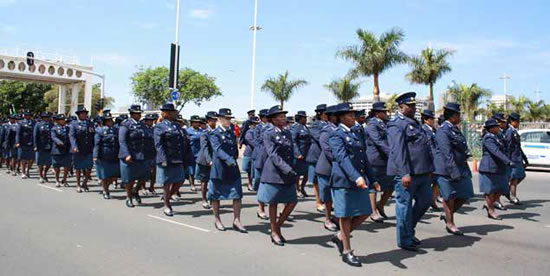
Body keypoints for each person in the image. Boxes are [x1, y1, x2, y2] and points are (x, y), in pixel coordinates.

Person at [329, 103, 376, 267]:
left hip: (359, 179)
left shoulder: (355, 132)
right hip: (343, 180)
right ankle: (347, 251)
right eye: (350, 115)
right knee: (346, 215)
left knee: (365, 212)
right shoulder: (336, 135)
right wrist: (356, 177)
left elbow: (364, 157)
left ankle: (340, 236)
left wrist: (373, 178)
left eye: (353, 114)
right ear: (341, 117)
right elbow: (342, 159)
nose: (353, 117)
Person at [387, 92, 434, 252]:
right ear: (401, 107)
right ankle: (405, 240)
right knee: (404, 207)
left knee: (426, 201)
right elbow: (398, 151)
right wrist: (404, 173)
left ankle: (409, 229)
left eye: (414, 105)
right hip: (407, 173)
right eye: (410, 105)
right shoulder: (396, 124)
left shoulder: (413, 122)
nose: (414, 108)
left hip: (421, 172)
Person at [257, 105, 298, 246]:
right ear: (273, 120)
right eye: (280, 117)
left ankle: (277, 225)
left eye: (284, 116)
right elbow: (273, 155)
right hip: (274, 172)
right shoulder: (268, 133)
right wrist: (287, 169)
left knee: (292, 201)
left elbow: (291, 152)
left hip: (287, 172)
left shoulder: (287, 133)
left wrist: (292, 168)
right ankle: (274, 231)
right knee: (273, 202)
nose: (283, 118)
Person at [433, 103, 474, 235]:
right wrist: (453, 172)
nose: (460, 117)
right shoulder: (443, 131)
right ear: (452, 117)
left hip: (460, 167)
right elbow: (447, 154)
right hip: (447, 170)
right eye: (458, 114)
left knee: (466, 194)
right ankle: (450, 223)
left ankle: (447, 216)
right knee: (449, 197)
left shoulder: (454, 129)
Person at [207, 108, 247, 233]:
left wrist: (234, 158)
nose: (228, 121)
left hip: (232, 168)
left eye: (230, 118)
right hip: (220, 169)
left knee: (237, 194)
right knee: (216, 196)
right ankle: (217, 219)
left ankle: (236, 220)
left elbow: (234, 148)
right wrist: (229, 160)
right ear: (219, 119)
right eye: (226, 118)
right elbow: (217, 149)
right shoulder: (215, 133)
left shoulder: (230, 132)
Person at [154, 103, 189, 216]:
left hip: (177, 158)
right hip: (167, 158)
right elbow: (158, 144)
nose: (175, 114)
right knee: (167, 183)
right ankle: (166, 205)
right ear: (167, 114)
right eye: (174, 112)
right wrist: (163, 158)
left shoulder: (177, 126)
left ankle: (166, 198)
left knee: (180, 179)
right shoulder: (160, 126)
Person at [479, 119, 515, 220]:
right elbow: (496, 152)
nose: (498, 127)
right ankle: (491, 210)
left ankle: (489, 204)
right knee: (490, 191)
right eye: (496, 126)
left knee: (503, 188)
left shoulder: (497, 137)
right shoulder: (488, 138)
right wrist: (508, 161)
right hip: (489, 168)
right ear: (491, 129)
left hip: (498, 168)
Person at [365, 102, 393, 222]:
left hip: (385, 160)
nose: (386, 114)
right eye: (384, 112)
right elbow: (378, 141)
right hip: (375, 159)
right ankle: (373, 211)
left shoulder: (385, 124)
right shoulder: (372, 125)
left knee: (390, 185)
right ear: (377, 113)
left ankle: (380, 205)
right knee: (373, 186)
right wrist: (391, 152)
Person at [119, 105, 150, 208]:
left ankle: (135, 191)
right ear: (131, 114)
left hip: (142, 154)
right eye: (136, 113)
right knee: (130, 178)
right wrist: (126, 154)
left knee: (144, 176)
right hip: (130, 154)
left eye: (139, 113)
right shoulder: (125, 124)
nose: (139, 115)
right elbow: (122, 141)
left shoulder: (142, 124)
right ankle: (129, 197)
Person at [315, 105, 339, 232]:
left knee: (339, 195)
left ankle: (337, 217)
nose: (337, 117)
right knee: (328, 197)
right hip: (327, 168)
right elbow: (327, 150)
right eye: (335, 115)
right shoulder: (326, 130)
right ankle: (328, 219)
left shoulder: (342, 129)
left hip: (339, 168)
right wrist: (342, 161)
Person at [93, 111, 120, 199]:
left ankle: (107, 185)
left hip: (115, 155)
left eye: (111, 120)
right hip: (104, 155)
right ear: (104, 121)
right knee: (105, 175)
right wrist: (95, 156)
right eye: (108, 120)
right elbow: (97, 144)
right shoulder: (100, 130)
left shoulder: (116, 129)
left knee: (114, 175)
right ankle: (105, 190)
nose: (110, 121)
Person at [307, 104, 329, 212]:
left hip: (326, 156)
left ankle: (327, 201)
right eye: (325, 113)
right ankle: (318, 202)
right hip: (316, 155)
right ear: (320, 114)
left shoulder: (330, 124)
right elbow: (319, 138)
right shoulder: (315, 125)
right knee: (316, 181)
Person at [69, 107, 95, 193]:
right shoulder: (74, 124)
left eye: (85, 113)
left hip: (89, 148)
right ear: (78, 115)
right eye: (82, 113)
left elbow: (93, 136)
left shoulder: (90, 123)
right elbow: (72, 136)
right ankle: (78, 184)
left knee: (89, 167)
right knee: (78, 168)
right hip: (79, 149)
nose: (84, 115)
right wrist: (74, 146)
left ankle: (85, 182)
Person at [504, 112, 528, 205]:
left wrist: (524, 158)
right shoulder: (510, 131)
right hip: (513, 158)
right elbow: (508, 146)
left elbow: (518, 146)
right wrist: (508, 160)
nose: (518, 123)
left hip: (517, 157)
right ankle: (512, 196)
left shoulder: (513, 131)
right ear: (512, 121)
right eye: (517, 121)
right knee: (514, 178)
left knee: (521, 176)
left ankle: (507, 191)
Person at [420, 109, 441, 212]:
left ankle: (432, 200)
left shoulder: (433, 130)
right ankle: (426, 201)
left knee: (437, 181)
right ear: (425, 120)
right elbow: (429, 146)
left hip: (436, 159)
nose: (433, 120)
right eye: (431, 119)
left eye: (433, 119)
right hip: (430, 159)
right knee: (428, 182)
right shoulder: (424, 129)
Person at [197, 111, 218, 209]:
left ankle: (213, 199)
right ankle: (204, 199)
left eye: (216, 120)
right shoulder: (205, 133)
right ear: (208, 121)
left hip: (216, 159)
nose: (215, 121)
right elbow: (204, 148)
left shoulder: (218, 131)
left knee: (215, 180)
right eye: (213, 120)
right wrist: (209, 160)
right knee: (204, 180)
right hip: (205, 160)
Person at [251, 109, 270, 220]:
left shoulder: (273, 128)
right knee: (260, 182)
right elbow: (256, 142)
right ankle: (261, 208)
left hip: (271, 158)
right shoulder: (258, 128)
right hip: (261, 158)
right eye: (266, 117)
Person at [491, 112, 509, 210]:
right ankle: (493, 202)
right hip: (496, 162)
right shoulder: (491, 133)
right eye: (501, 122)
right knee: (496, 185)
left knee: (502, 183)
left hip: (503, 161)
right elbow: (495, 150)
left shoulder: (501, 132)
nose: (503, 124)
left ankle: (495, 201)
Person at [291, 111, 311, 198]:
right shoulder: (295, 128)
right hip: (299, 154)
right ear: (300, 119)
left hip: (307, 154)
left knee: (306, 173)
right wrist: (297, 153)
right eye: (304, 118)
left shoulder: (306, 127)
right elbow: (293, 141)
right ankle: (297, 189)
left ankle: (302, 188)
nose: (306, 119)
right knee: (297, 173)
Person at [51, 114, 72, 187]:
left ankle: (65, 179)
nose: (63, 121)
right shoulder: (54, 128)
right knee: (57, 167)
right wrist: (58, 141)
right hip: (57, 150)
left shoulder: (68, 128)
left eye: (64, 120)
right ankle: (57, 180)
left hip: (66, 149)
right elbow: (53, 137)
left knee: (67, 166)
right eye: (61, 120)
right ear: (58, 121)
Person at [34, 112, 53, 183]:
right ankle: (41, 176)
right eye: (44, 117)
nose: (46, 118)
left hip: (49, 146)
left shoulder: (51, 124)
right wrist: (35, 146)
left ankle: (45, 173)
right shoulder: (38, 125)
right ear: (42, 118)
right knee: (40, 162)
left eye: (47, 117)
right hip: (40, 146)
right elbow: (35, 136)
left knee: (49, 163)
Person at [242, 116, 260, 192]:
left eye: (256, 124)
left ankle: (255, 184)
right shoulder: (249, 132)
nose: (255, 125)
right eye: (254, 124)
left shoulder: (259, 131)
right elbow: (251, 141)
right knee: (248, 169)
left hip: (257, 153)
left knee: (255, 170)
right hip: (249, 152)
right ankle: (250, 183)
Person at [186, 115, 203, 192]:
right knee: (191, 170)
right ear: (192, 123)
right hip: (191, 152)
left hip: (200, 153)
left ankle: (201, 183)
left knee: (200, 169)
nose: (197, 124)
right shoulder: (188, 131)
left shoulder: (202, 131)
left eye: (198, 122)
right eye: (195, 122)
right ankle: (192, 184)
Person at [16, 110, 35, 179]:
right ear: (24, 116)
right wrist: (18, 142)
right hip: (23, 142)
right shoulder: (21, 123)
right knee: (23, 158)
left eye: (29, 115)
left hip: (32, 142)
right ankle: (23, 172)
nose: (28, 116)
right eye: (26, 115)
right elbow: (18, 133)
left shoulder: (34, 122)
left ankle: (28, 169)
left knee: (31, 158)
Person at [142, 113, 157, 195]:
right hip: (145, 152)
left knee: (154, 172)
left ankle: (152, 187)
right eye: (149, 121)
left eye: (152, 121)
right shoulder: (142, 129)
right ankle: (143, 187)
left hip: (153, 153)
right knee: (144, 172)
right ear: (145, 121)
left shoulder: (154, 129)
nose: (151, 122)